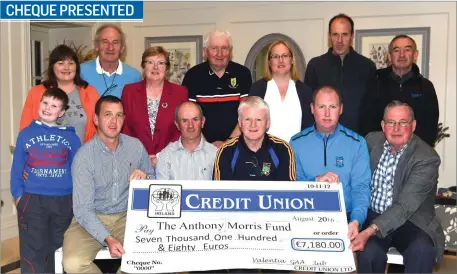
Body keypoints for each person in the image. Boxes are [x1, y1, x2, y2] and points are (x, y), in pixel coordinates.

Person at [62, 96, 155, 273]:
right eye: (108, 114)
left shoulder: (135, 147)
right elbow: (82, 209)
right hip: (90, 218)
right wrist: (108, 238)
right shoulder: (84, 157)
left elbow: (153, 180)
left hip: (128, 217)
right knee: (73, 263)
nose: (114, 121)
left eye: (119, 115)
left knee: (149, 255)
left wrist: (146, 179)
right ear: (96, 119)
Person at [351, 100, 445, 273]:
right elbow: (354, 172)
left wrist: (367, 232)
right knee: (368, 254)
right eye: (391, 122)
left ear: (413, 125)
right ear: (383, 125)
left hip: (412, 220)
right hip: (375, 215)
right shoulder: (371, 141)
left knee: (422, 251)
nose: (396, 128)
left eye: (403, 122)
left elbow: (405, 206)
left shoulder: (426, 158)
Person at [11, 88, 81, 273]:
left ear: (62, 112)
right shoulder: (26, 134)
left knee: (58, 249)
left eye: (54, 105)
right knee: (33, 251)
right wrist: (19, 197)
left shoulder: (71, 136)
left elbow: (78, 169)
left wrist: (75, 198)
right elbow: (17, 168)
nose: (48, 108)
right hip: (32, 200)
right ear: (39, 103)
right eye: (45, 103)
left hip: (63, 201)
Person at [290, 86, 371, 242]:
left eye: (332, 107)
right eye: (321, 107)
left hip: (346, 220)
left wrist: (356, 221)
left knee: (350, 264)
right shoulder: (296, 143)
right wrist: (315, 182)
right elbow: (292, 186)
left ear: (341, 109)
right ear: (312, 109)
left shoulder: (357, 143)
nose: (327, 114)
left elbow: (361, 188)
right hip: (305, 220)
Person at [359, 35, 439, 146]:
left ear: (415, 55)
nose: (402, 55)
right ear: (389, 56)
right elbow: (365, 122)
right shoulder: (374, 84)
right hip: (380, 154)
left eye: (407, 50)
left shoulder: (426, 87)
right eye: (396, 50)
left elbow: (430, 127)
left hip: (414, 155)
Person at [304, 13, 377, 134]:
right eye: (335, 34)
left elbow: (372, 108)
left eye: (345, 34)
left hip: (358, 138)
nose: (339, 40)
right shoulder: (315, 65)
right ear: (329, 36)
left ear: (352, 36)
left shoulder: (367, 66)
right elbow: (309, 105)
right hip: (323, 137)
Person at [182, 29, 252, 148]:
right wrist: (206, 145)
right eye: (214, 48)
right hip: (201, 146)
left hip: (236, 146)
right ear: (205, 51)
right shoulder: (193, 75)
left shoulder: (243, 74)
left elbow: (247, 114)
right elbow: (188, 116)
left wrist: (229, 143)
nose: (219, 54)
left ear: (230, 51)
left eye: (224, 48)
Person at [122, 46, 189, 167]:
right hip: (135, 161)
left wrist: (160, 156)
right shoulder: (129, 91)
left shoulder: (180, 93)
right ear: (143, 66)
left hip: (172, 160)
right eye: (150, 62)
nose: (155, 67)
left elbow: (182, 128)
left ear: (167, 68)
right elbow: (125, 127)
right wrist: (141, 155)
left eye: (161, 63)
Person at [20, 44, 99, 143]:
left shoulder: (90, 92)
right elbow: (25, 130)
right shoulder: (37, 92)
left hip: (83, 155)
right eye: (61, 63)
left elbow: (99, 129)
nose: (66, 68)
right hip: (45, 155)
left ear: (77, 67)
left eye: (71, 63)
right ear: (52, 67)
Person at [213, 96, 295, 181]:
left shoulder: (283, 149)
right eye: (248, 119)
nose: (253, 125)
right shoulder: (226, 151)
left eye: (259, 120)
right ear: (240, 122)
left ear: (267, 123)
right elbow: (220, 192)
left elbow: (287, 192)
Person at [249, 40, 313, 142]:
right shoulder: (258, 89)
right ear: (269, 62)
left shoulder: (305, 91)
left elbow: (309, 128)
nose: (281, 60)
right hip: (265, 153)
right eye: (275, 56)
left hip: (295, 153)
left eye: (285, 56)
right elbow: (250, 125)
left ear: (292, 60)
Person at [156, 101, 217, 180]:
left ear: (202, 122)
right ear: (177, 125)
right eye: (185, 121)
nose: (190, 125)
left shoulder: (215, 154)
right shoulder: (165, 156)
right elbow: (163, 190)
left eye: (195, 119)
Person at [80, 23, 142, 98]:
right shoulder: (81, 72)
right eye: (105, 42)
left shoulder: (134, 76)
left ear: (122, 48)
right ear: (96, 46)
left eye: (115, 42)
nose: (110, 47)